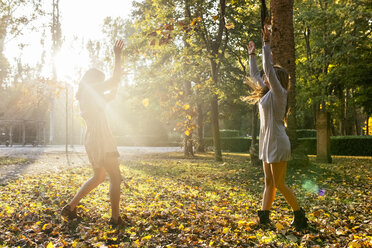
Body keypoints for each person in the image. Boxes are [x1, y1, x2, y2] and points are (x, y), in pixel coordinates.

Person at [247, 26, 308, 230]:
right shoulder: (266, 94)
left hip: (278, 143)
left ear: (276, 79)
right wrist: (252, 54)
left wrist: (266, 43)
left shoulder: (280, 94)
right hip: (267, 143)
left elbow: (268, 69)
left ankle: (300, 216)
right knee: (268, 183)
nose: (264, 79)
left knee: (279, 183)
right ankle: (264, 218)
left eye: (269, 77)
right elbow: (255, 72)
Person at [61, 40, 125, 226]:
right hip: (99, 137)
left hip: (93, 137)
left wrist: (117, 79)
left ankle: (71, 207)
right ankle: (115, 219)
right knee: (115, 176)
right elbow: (112, 82)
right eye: (100, 79)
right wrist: (117, 56)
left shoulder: (89, 96)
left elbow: (112, 94)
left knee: (99, 177)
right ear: (93, 80)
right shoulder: (91, 90)